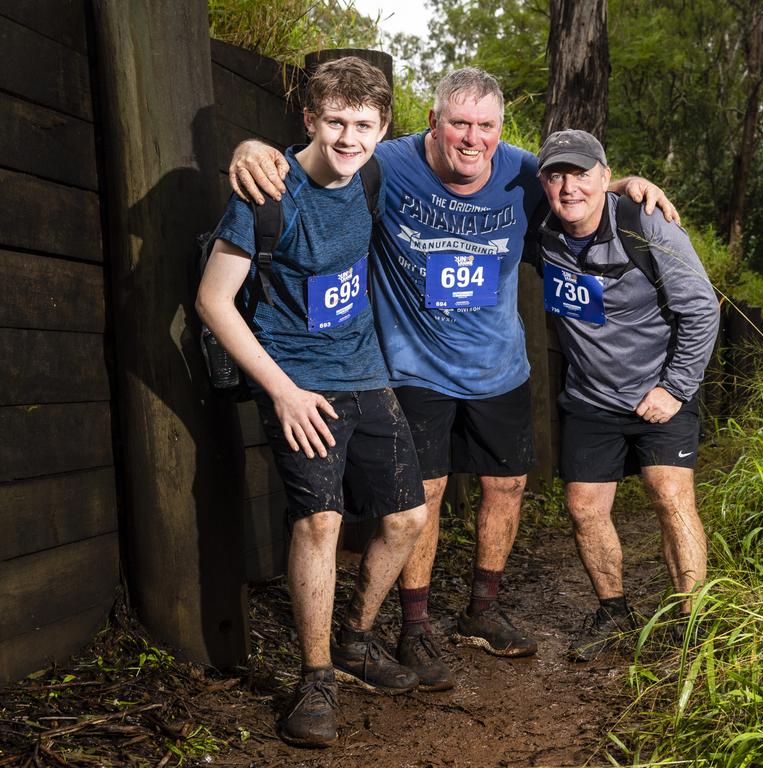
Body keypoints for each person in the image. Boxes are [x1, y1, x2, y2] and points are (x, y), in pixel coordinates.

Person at [229, 68, 679, 691]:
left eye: (486, 127)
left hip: (499, 367)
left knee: (507, 485)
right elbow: (318, 162)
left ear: (499, 131)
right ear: (432, 123)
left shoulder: (525, 173)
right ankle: (414, 629)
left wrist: (627, 183)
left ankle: (482, 612)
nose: (472, 139)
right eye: (459, 123)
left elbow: (580, 188)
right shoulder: (386, 164)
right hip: (414, 367)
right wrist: (252, 150)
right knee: (426, 494)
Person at [196, 57, 428, 748]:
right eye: (335, 123)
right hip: (295, 378)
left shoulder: (376, 175)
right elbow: (212, 301)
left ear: (382, 127)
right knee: (320, 522)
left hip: (365, 369)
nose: (348, 138)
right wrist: (285, 392)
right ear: (308, 119)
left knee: (409, 518)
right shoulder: (267, 191)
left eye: (363, 125)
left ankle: (356, 637)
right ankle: (316, 678)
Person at [528, 129, 719, 662]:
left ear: (605, 178)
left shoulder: (646, 226)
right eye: (557, 175)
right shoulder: (539, 229)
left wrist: (675, 388)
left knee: (670, 495)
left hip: (660, 391)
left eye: (582, 173)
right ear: (543, 182)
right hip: (591, 397)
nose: (569, 188)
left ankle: (691, 622)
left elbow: (702, 309)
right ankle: (613, 613)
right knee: (583, 506)